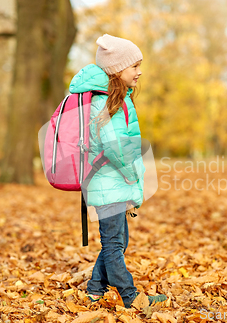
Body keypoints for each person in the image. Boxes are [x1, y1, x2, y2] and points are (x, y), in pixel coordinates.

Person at [68, 34, 167, 308]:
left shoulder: (115, 99)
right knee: (114, 245)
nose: (139, 72)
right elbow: (113, 146)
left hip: (110, 183)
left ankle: (95, 288)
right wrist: (130, 173)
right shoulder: (105, 103)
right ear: (117, 69)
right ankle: (130, 296)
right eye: (134, 66)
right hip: (109, 182)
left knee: (117, 242)